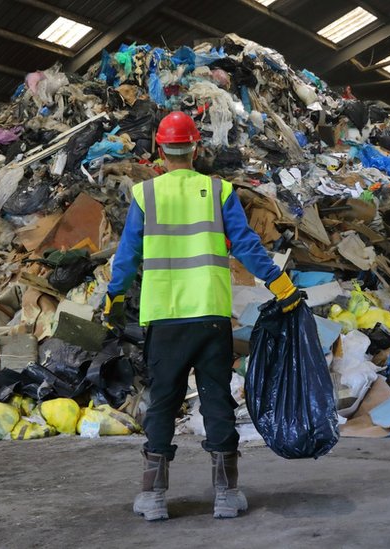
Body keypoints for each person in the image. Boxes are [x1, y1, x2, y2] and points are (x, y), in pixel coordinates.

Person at [103, 111, 300, 521]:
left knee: (162, 403)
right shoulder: (218, 191)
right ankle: (226, 495)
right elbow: (246, 245)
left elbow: (126, 257)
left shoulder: (146, 195)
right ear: (197, 148)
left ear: (160, 148)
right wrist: (279, 284)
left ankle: (153, 498)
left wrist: (114, 299)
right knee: (216, 400)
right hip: (210, 316)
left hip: (165, 316)